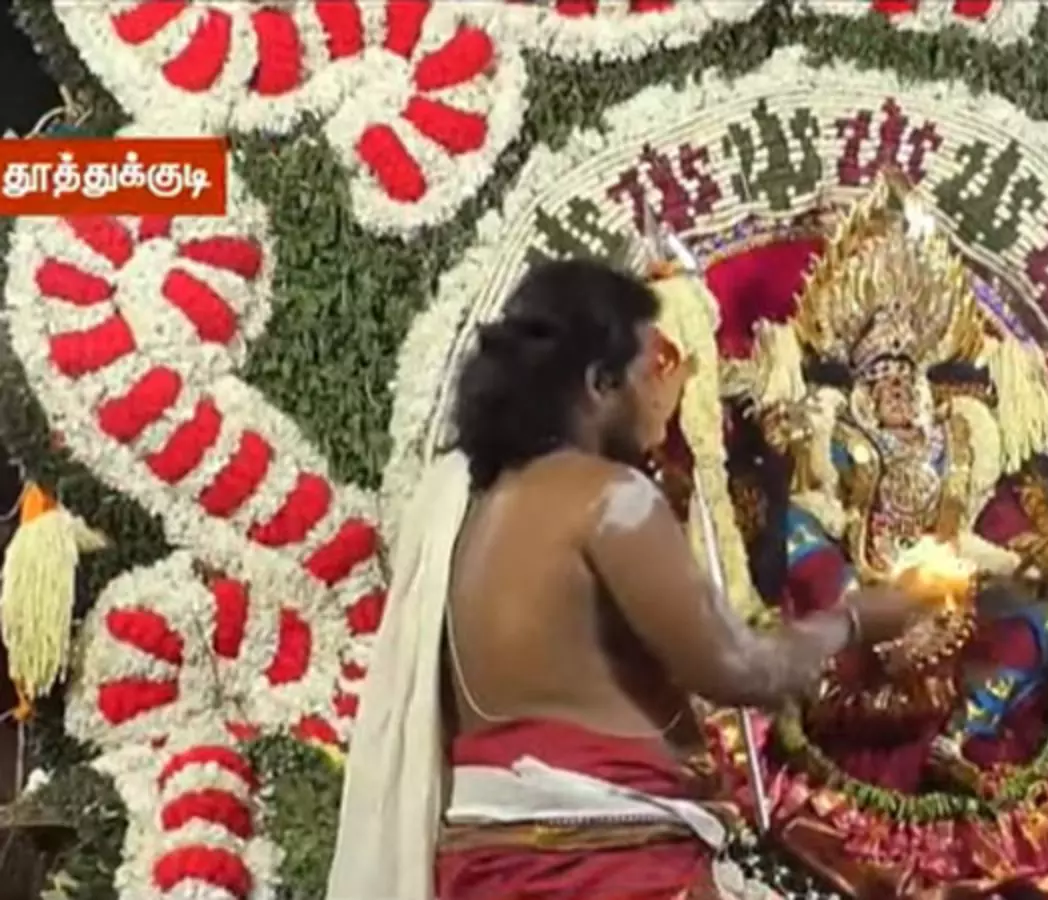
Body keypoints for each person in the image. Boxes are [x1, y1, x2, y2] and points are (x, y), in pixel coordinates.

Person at [326, 258, 926, 900]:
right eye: (653, 367)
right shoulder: (609, 497)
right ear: (599, 383)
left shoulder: (472, 513)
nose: (667, 390)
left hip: (491, 871)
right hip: (610, 873)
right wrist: (854, 620)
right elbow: (740, 668)